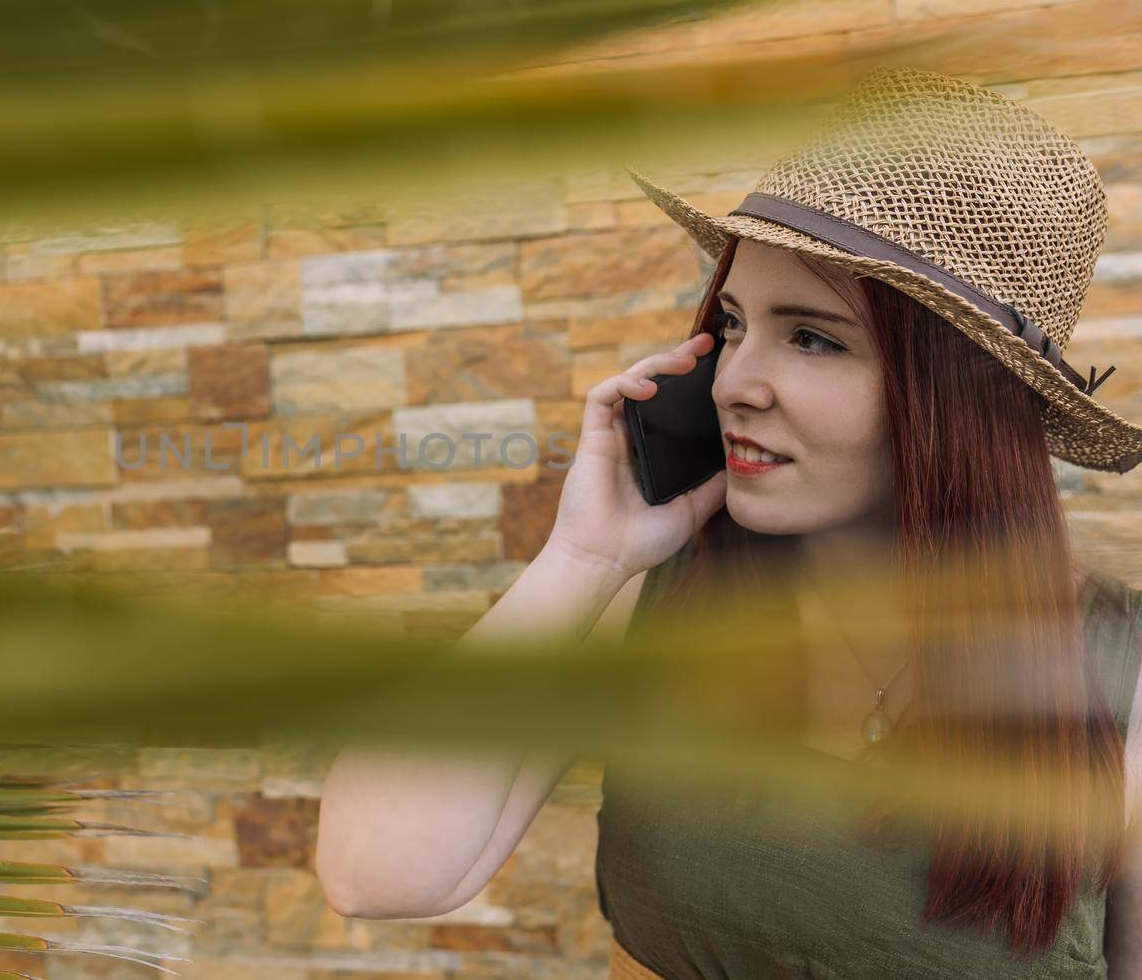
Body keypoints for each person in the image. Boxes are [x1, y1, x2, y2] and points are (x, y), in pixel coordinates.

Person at [314, 65, 1142, 977]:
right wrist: (583, 556)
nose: (734, 383)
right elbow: (372, 871)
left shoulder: (1122, 683)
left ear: (960, 397)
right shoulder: (661, 597)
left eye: (814, 337)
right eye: (736, 322)